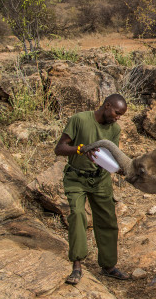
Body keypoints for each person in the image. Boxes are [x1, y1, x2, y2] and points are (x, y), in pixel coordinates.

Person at [54, 94, 131, 285]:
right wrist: (81, 149)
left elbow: (111, 154)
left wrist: (119, 168)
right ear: (107, 106)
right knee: (78, 215)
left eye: (120, 115)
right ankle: (77, 265)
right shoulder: (79, 120)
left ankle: (108, 266)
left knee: (107, 220)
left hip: (100, 180)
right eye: (116, 113)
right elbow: (60, 148)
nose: (118, 117)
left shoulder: (114, 129)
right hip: (76, 178)